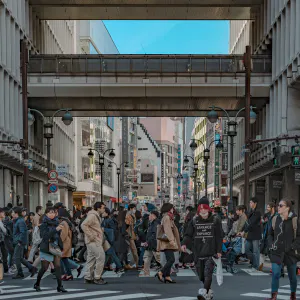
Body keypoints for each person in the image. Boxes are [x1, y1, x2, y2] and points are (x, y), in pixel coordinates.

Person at [182, 197, 223, 300]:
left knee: (208, 273)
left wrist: (219, 251)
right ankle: (209, 292)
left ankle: (203, 292)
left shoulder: (215, 219)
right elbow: (188, 234)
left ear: (208, 208)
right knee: (201, 276)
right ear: (198, 209)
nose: (203, 210)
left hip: (211, 251)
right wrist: (184, 244)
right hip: (198, 251)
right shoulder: (194, 220)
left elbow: (219, 236)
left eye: (205, 208)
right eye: (201, 208)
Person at [267, 199, 300, 300]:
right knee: (276, 273)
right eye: (278, 205)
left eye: (281, 206)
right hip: (277, 251)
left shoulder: (294, 220)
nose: (278, 207)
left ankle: (293, 295)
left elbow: (299, 236)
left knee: (292, 277)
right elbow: (270, 234)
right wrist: (271, 244)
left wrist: (293, 246)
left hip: (290, 252)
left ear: (287, 208)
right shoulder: (275, 219)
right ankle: (273, 296)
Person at [34, 206, 67, 293]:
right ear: (46, 214)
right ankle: (37, 284)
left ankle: (60, 286)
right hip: (46, 247)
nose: (52, 214)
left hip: (55, 247)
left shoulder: (57, 222)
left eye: (53, 212)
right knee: (44, 268)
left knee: (58, 267)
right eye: (50, 213)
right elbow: (45, 237)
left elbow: (58, 237)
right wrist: (56, 229)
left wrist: (61, 246)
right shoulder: (43, 224)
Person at [81, 202, 107, 285]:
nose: (104, 209)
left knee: (91, 259)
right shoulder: (93, 216)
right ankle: (97, 277)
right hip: (94, 240)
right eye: (103, 208)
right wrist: (91, 235)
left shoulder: (94, 215)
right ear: (98, 208)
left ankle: (88, 277)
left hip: (92, 240)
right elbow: (83, 225)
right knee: (101, 257)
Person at [156, 203, 181, 284]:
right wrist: (172, 241)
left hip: (167, 242)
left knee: (169, 259)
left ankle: (167, 276)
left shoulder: (168, 217)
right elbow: (167, 230)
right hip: (167, 242)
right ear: (168, 209)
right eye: (172, 208)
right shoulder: (167, 217)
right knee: (171, 259)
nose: (173, 209)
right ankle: (161, 272)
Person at [11, 207, 37, 279]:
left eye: (13, 212)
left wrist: (19, 241)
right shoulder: (17, 220)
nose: (11, 214)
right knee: (20, 258)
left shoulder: (20, 221)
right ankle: (32, 268)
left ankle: (20, 272)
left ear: (16, 213)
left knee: (17, 257)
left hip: (19, 242)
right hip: (18, 241)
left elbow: (23, 232)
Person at [240, 197, 262, 271]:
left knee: (256, 251)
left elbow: (252, 223)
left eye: (251, 202)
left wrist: (244, 231)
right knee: (246, 249)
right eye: (249, 202)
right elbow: (247, 223)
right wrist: (242, 230)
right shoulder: (250, 211)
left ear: (255, 203)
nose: (250, 204)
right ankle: (253, 262)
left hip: (255, 234)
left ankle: (256, 266)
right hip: (250, 234)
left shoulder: (257, 212)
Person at [140, 210, 160, 277]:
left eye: (150, 215)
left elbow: (154, 234)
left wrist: (147, 242)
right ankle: (146, 273)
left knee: (158, 258)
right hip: (150, 244)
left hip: (153, 244)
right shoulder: (152, 222)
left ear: (153, 215)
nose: (149, 216)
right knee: (146, 257)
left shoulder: (156, 223)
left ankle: (167, 270)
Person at [260, 202, 277, 271]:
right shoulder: (268, 215)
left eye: (268, 207)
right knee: (263, 251)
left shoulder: (276, 216)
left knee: (270, 253)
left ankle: (276, 267)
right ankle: (260, 266)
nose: (267, 208)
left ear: (272, 208)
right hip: (266, 235)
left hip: (272, 237)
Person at [125, 204, 139, 268]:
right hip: (129, 235)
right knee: (133, 249)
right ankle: (137, 263)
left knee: (131, 250)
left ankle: (135, 263)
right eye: (134, 208)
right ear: (131, 208)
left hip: (132, 234)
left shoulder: (132, 215)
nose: (135, 210)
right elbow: (127, 225)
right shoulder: (128, 215)